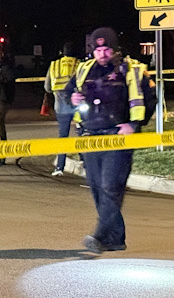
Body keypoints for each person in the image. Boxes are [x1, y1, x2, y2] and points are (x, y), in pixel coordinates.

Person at [65, 27, 156, 254]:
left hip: (117, 138)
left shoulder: (132, 69)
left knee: (110, 187)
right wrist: (72, 97)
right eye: (98, 49)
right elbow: (67, 93)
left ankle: (100, 235)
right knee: (97, 188)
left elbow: (150, 98)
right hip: (89, 137)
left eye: (107, 49)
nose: (103, 53)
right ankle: (115, 238)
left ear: (115, 50)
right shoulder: (84, 69)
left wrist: (134, 125)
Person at [44, 42, 79, 176]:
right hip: (78, 106)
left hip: (60, 107)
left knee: (63, 136)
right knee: (81, 133)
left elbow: (47, 88)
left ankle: (59, 167)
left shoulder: (54, 65)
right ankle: (84, 161)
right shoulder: (79, 64)